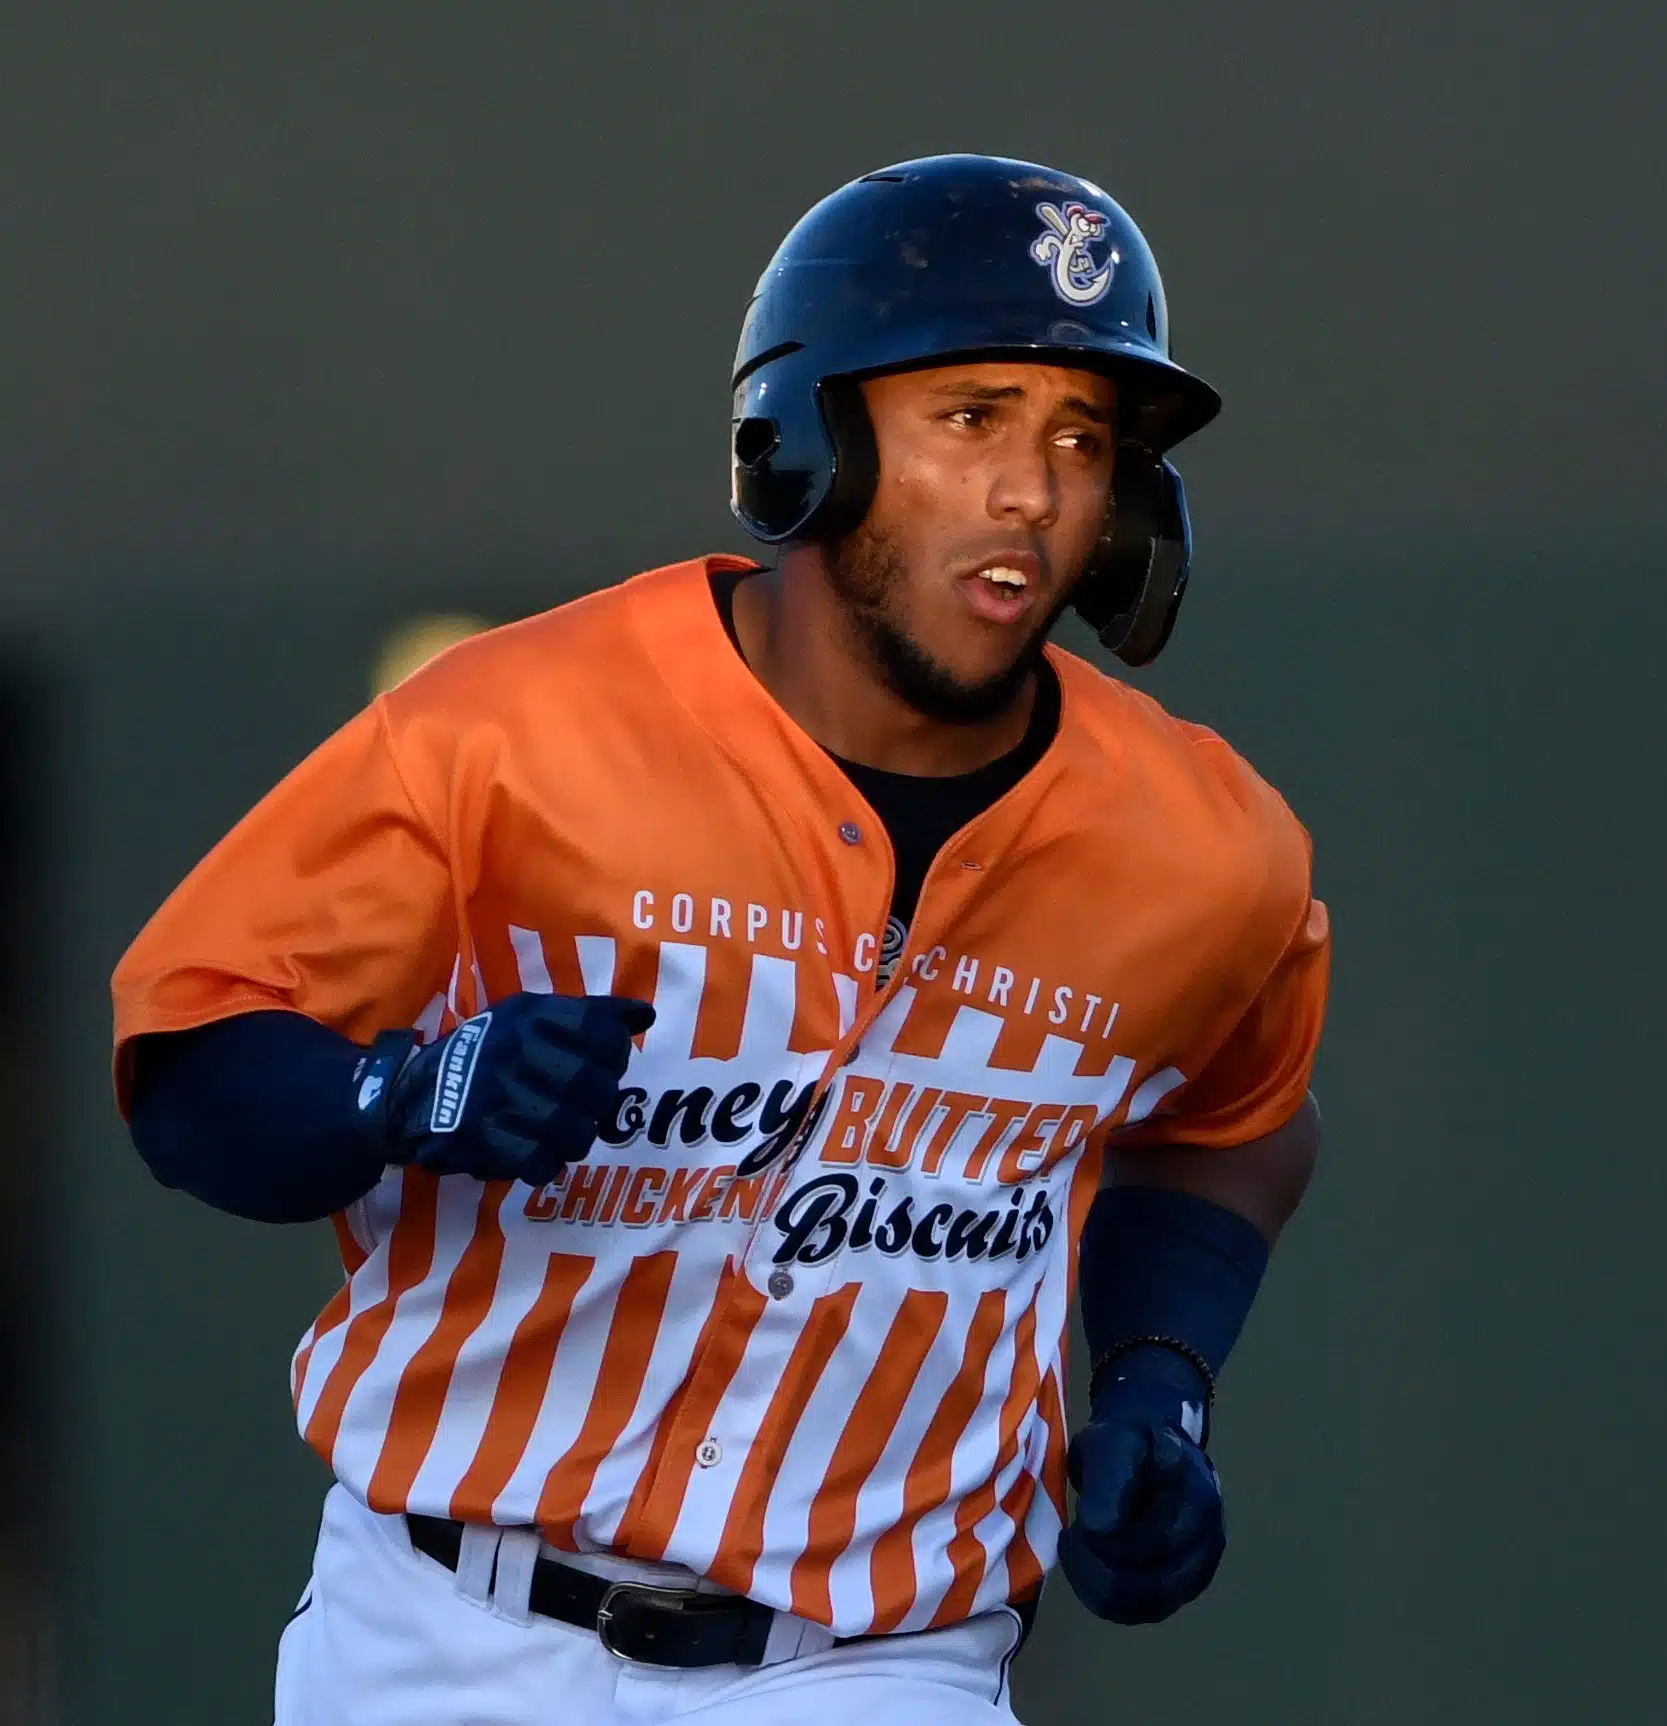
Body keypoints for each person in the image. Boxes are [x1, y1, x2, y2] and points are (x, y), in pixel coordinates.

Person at [111, 153, 1329, 1725]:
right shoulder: (511, 733)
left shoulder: (1209, 846)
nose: (1032, 491)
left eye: (1080, 437)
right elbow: (191, 1052)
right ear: (811, 431)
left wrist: (1161, 1379)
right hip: (442, 1627)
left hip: (879, 1660)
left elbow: (1239, 1121)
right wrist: (406, 1096)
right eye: (972, 418)